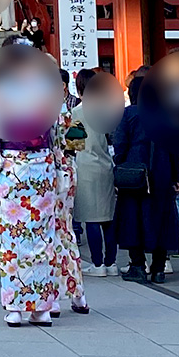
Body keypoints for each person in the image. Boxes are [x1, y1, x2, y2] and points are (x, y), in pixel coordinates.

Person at [0, 50, 82, 325]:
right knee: (42, 241)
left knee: (12, 242)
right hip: (42, 170)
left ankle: (15, 309)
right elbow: (70, 134)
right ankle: (41, 309)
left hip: (11, 170)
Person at [111, 66, 179, 284]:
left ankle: (137, 264)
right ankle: (159, 267)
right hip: (161, 172)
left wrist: (122, 165)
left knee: (133, 218)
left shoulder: (128, 114)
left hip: (134, 175)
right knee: (161, 218)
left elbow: (119, 144)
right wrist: (176, 176)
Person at [68, 68, 123, 272]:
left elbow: (74, 145)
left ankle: (98, 263)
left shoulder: (77, 112)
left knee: (90, 218)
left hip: (85, 167)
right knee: (108, 217)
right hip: (106, 165)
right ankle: (112, 262)